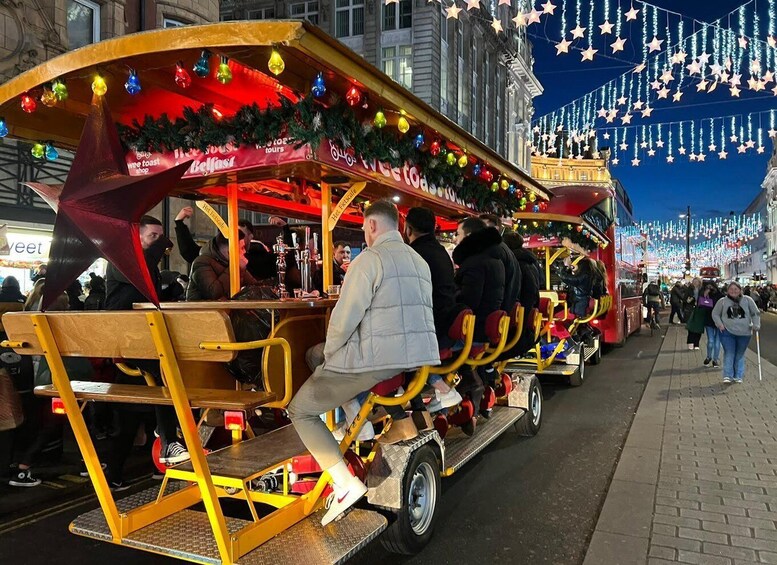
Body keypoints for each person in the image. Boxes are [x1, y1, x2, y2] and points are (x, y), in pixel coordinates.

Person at [288, 200, 439, 526]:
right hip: (413, 358)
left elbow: (344, 320)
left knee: (300, 409)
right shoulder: (419, 261)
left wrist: (331, 355)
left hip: (376, 361)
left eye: (363, 227)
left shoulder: (369, 260)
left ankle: (344, 483)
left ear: (372, 226)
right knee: (317, 358)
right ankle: (354, 419)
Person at [105, 215, 189, 490]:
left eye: (159, 237)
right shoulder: (122, 259)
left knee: (167, 373)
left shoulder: (143, 262)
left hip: (141, 337)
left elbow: (150, 293)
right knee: (164, 372)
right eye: (153, 236)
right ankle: (167, 441)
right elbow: (141, 283)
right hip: (126, 338)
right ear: (135, 237)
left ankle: (168, 438)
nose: (159, 243)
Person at [403, 207, 465, 411]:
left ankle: (434, 393)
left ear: (407, 228)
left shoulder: (413, 255)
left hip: (431, 330)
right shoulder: (441, 252)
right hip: (445, 324)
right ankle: (436, 392)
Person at [452, 217, 505, 424]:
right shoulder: (493, 259)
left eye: (457, 234)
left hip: (473, 333)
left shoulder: (474, 263)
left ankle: (455, 390)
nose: (455, 238)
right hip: (483, 330)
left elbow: (468, 302)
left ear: (469, 237)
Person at [186, 229, 258, 301]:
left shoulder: (230, 262)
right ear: (229, 251)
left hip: (225, 310)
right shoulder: (201, 262)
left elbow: (255, 285)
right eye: (241, 248)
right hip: (201, 310)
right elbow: (212, 293)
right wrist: (234, 269)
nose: (244, 251)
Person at [712, 281, 761, 384]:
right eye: (731, 289)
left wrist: (756, 324)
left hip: (745, 332)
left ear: (740, 290)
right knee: (729, 353)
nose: (733, 291)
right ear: (727, 290)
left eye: (736, 289)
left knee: (739, 354)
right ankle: (727, 375)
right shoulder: (722, 301)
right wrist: (720, 324)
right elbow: (715, 314)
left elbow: (755, 313)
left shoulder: (748, 300)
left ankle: (738, 375)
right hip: (727, 332)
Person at [697, 283, 722, 368]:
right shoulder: (705, 295)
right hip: (709, 321)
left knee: (717, 341)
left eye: (711, 287)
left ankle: (715, 359)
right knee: (711, 341)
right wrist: (705, 296)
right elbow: (700, 305)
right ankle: (708, 357)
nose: (710, 289)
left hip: (719, 321)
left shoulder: (720, 296)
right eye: (708, 287)